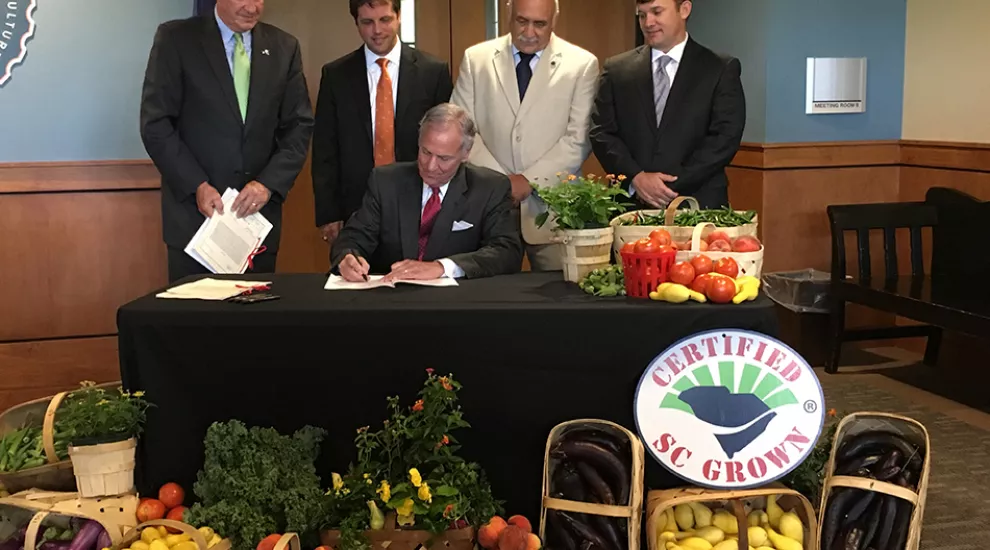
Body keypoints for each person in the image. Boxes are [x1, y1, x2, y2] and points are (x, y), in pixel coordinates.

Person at [140, 0, 314, 283]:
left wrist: (268, 184)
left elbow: (299, 126)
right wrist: (196, 184)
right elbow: (156, 124)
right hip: (195, 224)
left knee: (252, 322)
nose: (253, 7)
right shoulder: (176, 39)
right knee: (196, 322)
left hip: (255, 222)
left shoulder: (284, 47)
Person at [450, 0, 599, 272]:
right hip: (488, 204)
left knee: (559, 300)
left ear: (554, 19)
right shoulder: (476, 59)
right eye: (521, 21)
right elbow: (462, 131)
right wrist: (501, 184)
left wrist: (529, 181)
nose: (529, 32)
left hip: (553, 211)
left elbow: (578, 139)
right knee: (489, 300)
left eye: (539, 24)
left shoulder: (582, 65)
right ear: (508, 12)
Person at [312, 0, 454, 247]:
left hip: (420, 202)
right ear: (356, 23)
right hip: (356, 208)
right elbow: (325, 149)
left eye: (385, 20)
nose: (377, 31)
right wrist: (329, 214)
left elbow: (447, 142)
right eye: (367, 22)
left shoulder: (433, 72)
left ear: (398, 17)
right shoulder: (335, 75)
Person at [331, 104, 523, 282]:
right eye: (425, 152)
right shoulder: (386, 182)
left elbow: (506, 251)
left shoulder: (490, 188)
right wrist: (348, 256)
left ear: (465, 154)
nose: (431, 166)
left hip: (457, 304)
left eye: (444, 158)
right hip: (392, 298)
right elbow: (353, 236)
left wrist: (442, 267)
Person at [590, 0, 745, 210]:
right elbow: (602, 132)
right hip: (630, 205)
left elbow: (724, 138)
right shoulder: (617, 70)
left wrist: (668, 186)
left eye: (656, 12)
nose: (648, 22)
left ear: (684, 9)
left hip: (698, 205)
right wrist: (637, 178)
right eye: (642, 15)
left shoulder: (719, 68)